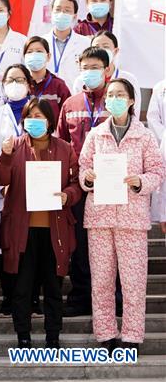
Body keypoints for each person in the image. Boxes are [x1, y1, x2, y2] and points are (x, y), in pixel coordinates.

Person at [79, 79, 165, 352]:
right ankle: (105, 333)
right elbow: (82, 169)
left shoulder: (145, 136)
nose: (114, 99)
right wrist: (88, 179)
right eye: (110, 95)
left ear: (131, 101)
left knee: (133, 281)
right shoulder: (96, 135)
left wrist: (140, 182)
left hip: (132, 219)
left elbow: (157, 172)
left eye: (120, 95)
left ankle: (131, 335)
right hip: (100, 218)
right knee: (101, 280)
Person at [0, 97, 81, 349]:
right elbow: (0, 178)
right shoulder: (15, 146)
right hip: (22, 230)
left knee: (53, 288)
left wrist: (68, 195)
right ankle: (23, 336)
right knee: (22, 288)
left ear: (50, 121)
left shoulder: (65, 148)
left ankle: (52, 336)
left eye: (39, 117)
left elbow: (76, 183)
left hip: (55, 230)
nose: (33, 121)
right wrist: (6, 156)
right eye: (29, 117)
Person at [57, 47, 113, 318]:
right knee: (79, 244)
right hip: (79, 185)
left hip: (111, 184)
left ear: (107, 70)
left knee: (110, 244)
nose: (89, 73)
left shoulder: (116, 100)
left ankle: (114, 297)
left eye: (95, 67)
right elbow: (61, 142)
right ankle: (80, 296)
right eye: (85, 68)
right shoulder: (71, 104)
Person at [69, 31, 141, 114]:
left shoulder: (128, 79)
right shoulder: (81, 80)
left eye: (106, 47)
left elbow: (135, 111)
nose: (101, 50)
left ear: (115, 51)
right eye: (97, 47)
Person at [42, 0, 91, 92]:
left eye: (67, 10)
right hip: (46, 96)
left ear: (74, 16)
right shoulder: (40, 42)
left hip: (74, 95)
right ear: (51, 13)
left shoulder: (86, 43)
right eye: (58, 9)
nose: (61, 13)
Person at [23, 37, 72, 120]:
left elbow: (67, 116)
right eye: (30, 52)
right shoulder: (21, 84)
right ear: (24, 57)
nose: (34, 55)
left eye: (39, 51)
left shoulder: (58, 85)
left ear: (48, 56)